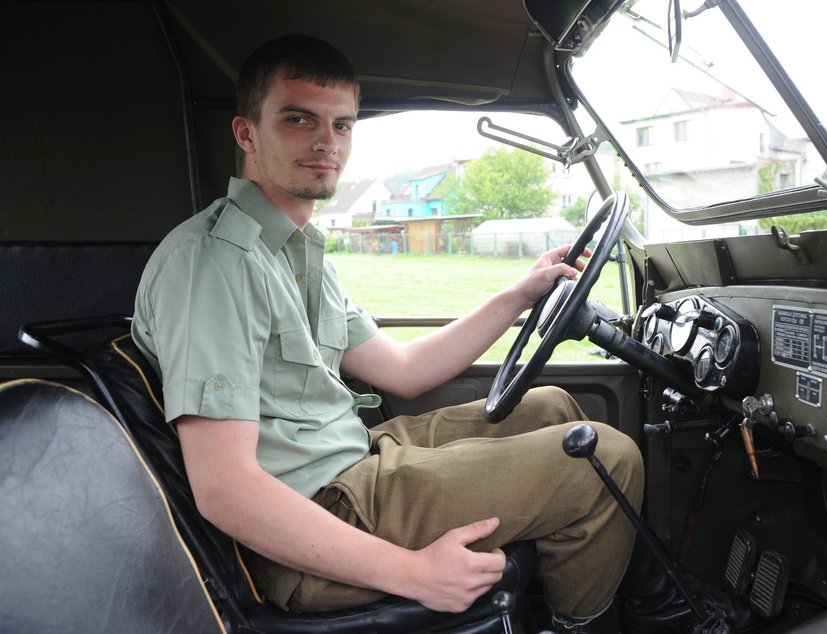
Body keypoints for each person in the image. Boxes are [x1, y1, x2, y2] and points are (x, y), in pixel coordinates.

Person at [132, 34, 644, 634]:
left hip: (356, 460)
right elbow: (225, 490)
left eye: (342, 125)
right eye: (299, 120)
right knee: (606, 460)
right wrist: (412, 572)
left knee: (552, 405)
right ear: (247, 134)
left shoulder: (292, 251)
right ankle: (580, 625)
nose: (327, 143)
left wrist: (519, 294)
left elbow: (403, 369)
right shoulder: (215, 263)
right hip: (318, 516)